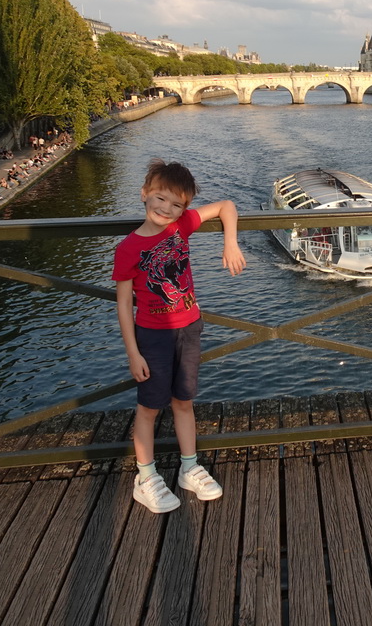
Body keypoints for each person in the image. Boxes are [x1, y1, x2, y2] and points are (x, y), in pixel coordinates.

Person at [113, 159, 246, 513]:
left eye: (177, 205)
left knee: (184, 401)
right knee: (149, 408)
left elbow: (226, 206)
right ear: (144, 194)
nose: (167, 209)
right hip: (152, 337)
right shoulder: (128, 249)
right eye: (160, 199)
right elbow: (124, 304)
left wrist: (229, 243)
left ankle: (189, 467)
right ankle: (145, 477)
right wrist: (133, 353)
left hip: (189, 327)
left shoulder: (180, 226)